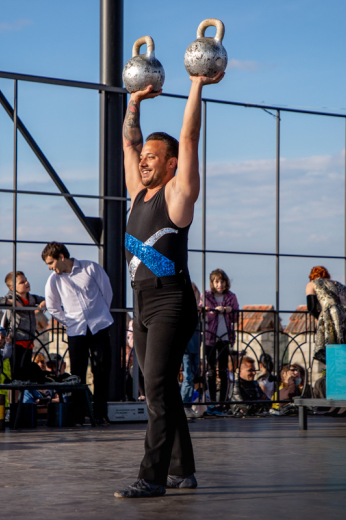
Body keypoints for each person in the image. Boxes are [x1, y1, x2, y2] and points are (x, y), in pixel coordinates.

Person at [115, 70, 224, 499]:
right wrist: (135, 102)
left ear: (172, 164)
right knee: (158, 392)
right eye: (143, 156)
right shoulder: (137, 194)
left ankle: (152, 477)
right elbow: (128, 143)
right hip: (141, 303)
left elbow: (190, 137)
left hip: (171, 302)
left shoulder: (177, 195)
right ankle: (183, 470)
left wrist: (195, 86)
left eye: (153, 156)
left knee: (157, 389)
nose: (143, 160)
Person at [42, 241, 113, 424]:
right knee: (77, 374)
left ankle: (100, 414)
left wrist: (100, 314)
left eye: (51, 263)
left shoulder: (91, 268)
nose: (50, 268)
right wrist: (69, 321)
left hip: (99, 326)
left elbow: (107, 292)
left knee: (102, 370)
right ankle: (79, 415)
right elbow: (52, 307)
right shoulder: (54, 281)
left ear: (61, 257)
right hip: (76, 331)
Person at [0, 271, 47, 382]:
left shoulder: (32, 298)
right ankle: (16, 389)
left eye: (26, 280)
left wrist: (45, 302)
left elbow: (49, 299)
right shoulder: (11, 297)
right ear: (12, 288)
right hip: (16, 341)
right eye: (22, 282)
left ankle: (25, 389)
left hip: (29, 340)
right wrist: (11, 302)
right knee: (17, 371)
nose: (26, 283)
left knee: (26, 370)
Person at [202, 269, 240, 408]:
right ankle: (212, 402)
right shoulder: (206, 296)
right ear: (212, 283)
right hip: (209, 337)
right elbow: (201, 313)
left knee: (223, 370)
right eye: (217, 281)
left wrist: (230, 310)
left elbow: (236, 318)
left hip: (225, 337)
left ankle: (223, 402)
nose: (220, 285)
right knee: (211, 370)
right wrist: (213, 311)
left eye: (222, 281)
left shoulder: (231, 296)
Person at [181, 283, 201, 418]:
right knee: (188, 376)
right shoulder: (183, 308)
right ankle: (184, 405)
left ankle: (186, 405)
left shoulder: (197, 310)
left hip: (195, 346)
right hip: (186, 347)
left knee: (191, 377)